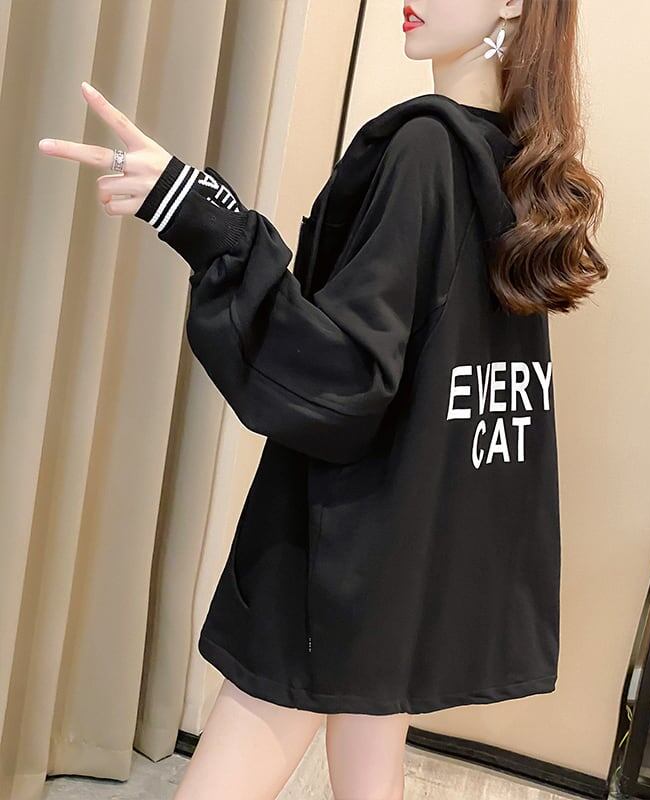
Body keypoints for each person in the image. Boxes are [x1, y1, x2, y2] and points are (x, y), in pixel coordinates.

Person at [38, 1, 607, 797]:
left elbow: (341, 376)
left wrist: (199, 214)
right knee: (370, 764)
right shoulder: (512, 164)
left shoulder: (425, 148)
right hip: (410, 543)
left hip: (340, 550)